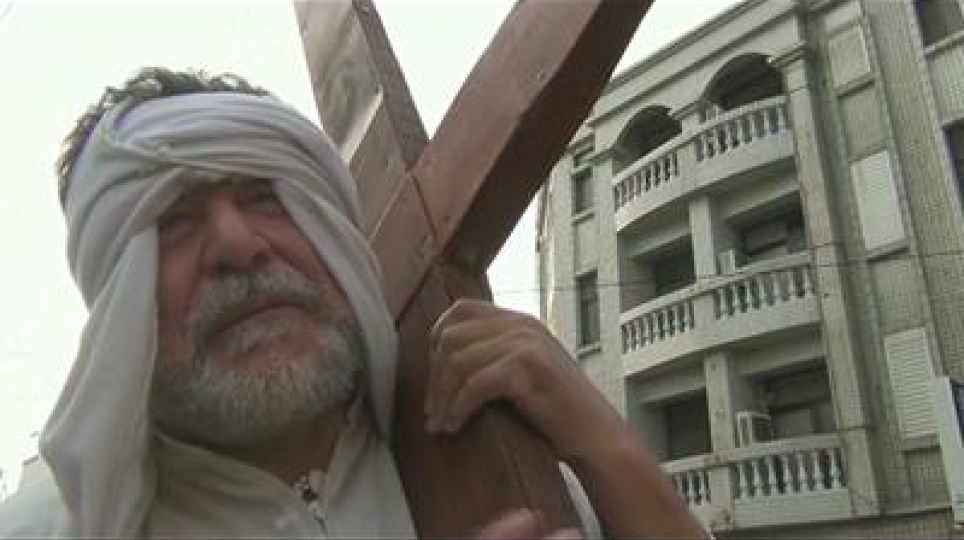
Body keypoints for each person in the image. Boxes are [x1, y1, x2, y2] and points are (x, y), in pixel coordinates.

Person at [0, 68, 706, 538]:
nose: (238, 246)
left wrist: (608, 448)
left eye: (266, 197)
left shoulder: (504, 467)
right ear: (116, 305)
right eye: (173, 223)